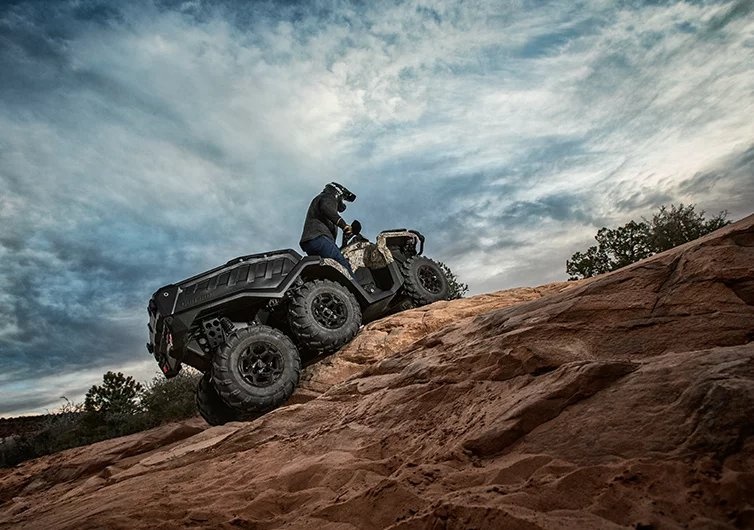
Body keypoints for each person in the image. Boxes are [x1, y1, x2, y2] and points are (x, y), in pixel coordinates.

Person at [300, 182, 356, 274]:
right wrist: (344, 225)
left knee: (329, 271)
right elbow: (326, 207)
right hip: (319, 238)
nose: (343, 203)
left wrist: (345, 241)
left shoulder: (322, 206)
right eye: (343, 199)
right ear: (338, 193)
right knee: (344, 268)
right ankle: (352, 283)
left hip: (311, 242)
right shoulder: (328, 197)